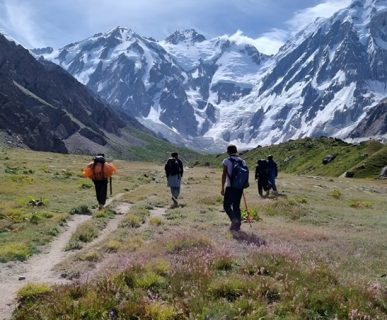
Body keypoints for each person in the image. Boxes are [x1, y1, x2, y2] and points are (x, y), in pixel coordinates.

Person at [221, 144, 248, 231]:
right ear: (236, 151)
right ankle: (238, 225)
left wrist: (222, 187)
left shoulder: (226, 161)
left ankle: (234, 219)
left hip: (230, 187)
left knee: (226, 205)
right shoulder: (242, 161)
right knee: (236, 206)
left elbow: (224, 175)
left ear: (228, 152)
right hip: (239, 187)